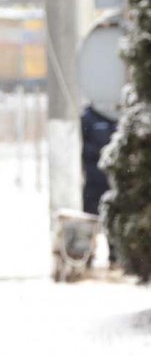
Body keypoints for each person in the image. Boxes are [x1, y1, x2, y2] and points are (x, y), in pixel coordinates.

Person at [80, 103, 118, 266]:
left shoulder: (118, 116)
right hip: (94, 179)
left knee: (113, 217)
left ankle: (115, 255)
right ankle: (86, 255)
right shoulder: (88, 118)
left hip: (113, 180)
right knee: (90, 217)